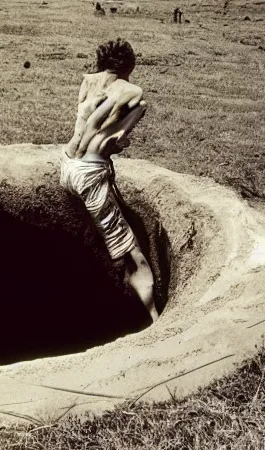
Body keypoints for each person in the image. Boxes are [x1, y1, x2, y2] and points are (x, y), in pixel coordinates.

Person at [61, 40, 158, 322]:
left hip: (67, 163)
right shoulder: (132, 90)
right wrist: (131, 121)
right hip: (90, 174)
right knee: (132, 252)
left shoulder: (87, 82)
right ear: (129, 65)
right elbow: (116, 134)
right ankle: (155, 320)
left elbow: (90, 121)